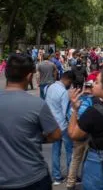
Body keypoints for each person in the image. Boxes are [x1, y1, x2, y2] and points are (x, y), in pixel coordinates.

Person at [0, 54, 61, 190]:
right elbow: (56, 135)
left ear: (6, 72)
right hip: (33, 178)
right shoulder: (37, 104)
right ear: (28, 76)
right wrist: (38, 136)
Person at [66, 76, 100, 190]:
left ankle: (70, 182)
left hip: (76, 130)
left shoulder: (77, 98)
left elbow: (69, 113)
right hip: (89, 133)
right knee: (88, 158)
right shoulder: (95, 100)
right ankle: (85, 178)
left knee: (75, 158)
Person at [45, 71, 75, 185]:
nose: (70, 85)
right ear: (68, 80)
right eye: (70, 83)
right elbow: (66, 112)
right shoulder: (63, 92)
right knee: (69, 151)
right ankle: (71, 176)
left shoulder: (50, 87)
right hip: (63, 126)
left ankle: (57, 177)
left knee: (55, 151)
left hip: (52, 125)